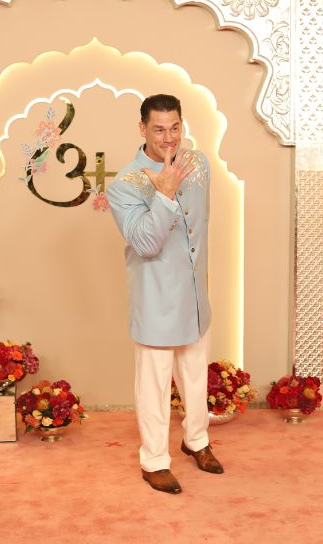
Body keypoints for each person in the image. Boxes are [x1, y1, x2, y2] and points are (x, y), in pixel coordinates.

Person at [105, 94, 223, 495]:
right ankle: (154, 461)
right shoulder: (124, 184)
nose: (168, 137)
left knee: (195, 377)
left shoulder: (198, 164)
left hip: (195, 297)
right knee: (154, 385)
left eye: (175, 127)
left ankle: (197, 440)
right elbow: (144, 243)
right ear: (142, 129)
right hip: (156, 299)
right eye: (158, 129)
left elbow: (200, 224)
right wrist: (165, 195)